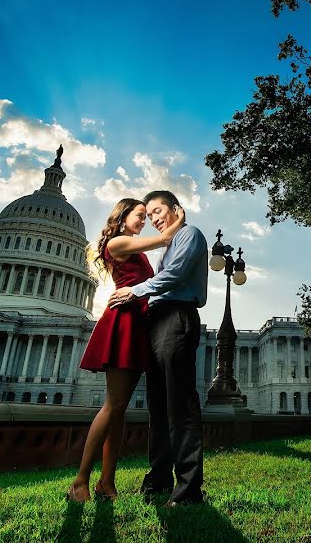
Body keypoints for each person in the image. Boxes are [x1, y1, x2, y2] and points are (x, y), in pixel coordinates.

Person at [66, 198, 185, 503]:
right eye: (140, 215)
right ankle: (80, 481)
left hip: (136, 322)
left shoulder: (129, 244)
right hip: (123, 322)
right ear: (122, 217)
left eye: (146, 216)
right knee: (113, 405)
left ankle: (107, 482)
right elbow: (164, 239)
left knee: (119, 410)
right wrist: (178, 217)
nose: (144, 220)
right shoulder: (119, 242)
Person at [108, 190, 208, 508]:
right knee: (158, 408)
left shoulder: (190, 234)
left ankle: (189, 490)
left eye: (157, 211)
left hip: (176, 318)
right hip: (157, 322)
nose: (153, 218)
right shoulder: (165, 247)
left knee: (180, 405)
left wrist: (132, 292)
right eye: (149, 215)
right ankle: (158, 480)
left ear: (175, 209)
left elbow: (174, 276)